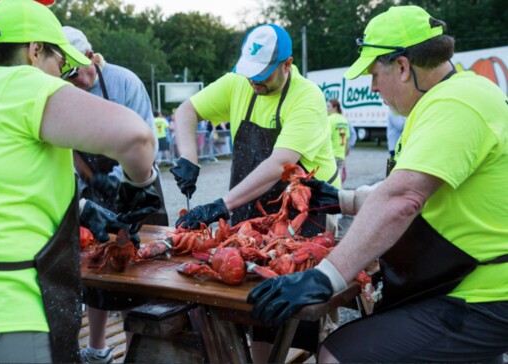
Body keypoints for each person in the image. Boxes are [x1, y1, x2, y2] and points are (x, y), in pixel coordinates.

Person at [247, 5, 508, 363]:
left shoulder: (457, 102)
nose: (372, 86)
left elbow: (403, 197)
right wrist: (343, 198)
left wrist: (326, 277)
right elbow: (408, 189)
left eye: (374, 73)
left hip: (481, 296)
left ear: (402, 67)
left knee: (337, 354)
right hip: (454, 281)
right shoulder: (445, 100)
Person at [0, 0, 160, 362]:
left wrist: (81, 207)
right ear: (35, 51)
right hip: (5, 312)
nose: (63, 75)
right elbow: (137, 138)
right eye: (60, 63)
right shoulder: (24, 83)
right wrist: (137, 184)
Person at [171, 24, 340, 360]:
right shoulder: (239, 83)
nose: (254, 81)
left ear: (287, 64)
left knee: (308, 314)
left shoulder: (307, 97)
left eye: (263, 74)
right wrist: (188, 159)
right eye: (250, 72)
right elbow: (186, 111)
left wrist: (221, 203)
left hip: (305, 213)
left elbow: (280, 164)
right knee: (257, 307)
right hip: (249, 209)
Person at [62, 25, 167, 363]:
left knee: (142, 271)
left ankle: (140, 349)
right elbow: (65, 146)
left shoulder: (125, 82)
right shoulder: (63, 93)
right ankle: (96, 348)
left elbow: (146, 141)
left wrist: (121, 178)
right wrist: (87, 182)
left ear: (92, 56)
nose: (75, 82)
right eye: (68, 76)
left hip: (139, 185)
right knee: (97, 273)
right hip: (96, 190)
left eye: (78, 72)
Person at [326, 98, 350, 185]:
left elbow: (327, 136)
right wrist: (345, 151)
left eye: (328, 106)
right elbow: (347, 138)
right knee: (339, 178)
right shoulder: (344, 120)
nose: (326, 109)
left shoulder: (329, 119)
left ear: (335, 108)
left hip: (331, 154)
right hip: (341, 154)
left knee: (330, 179)